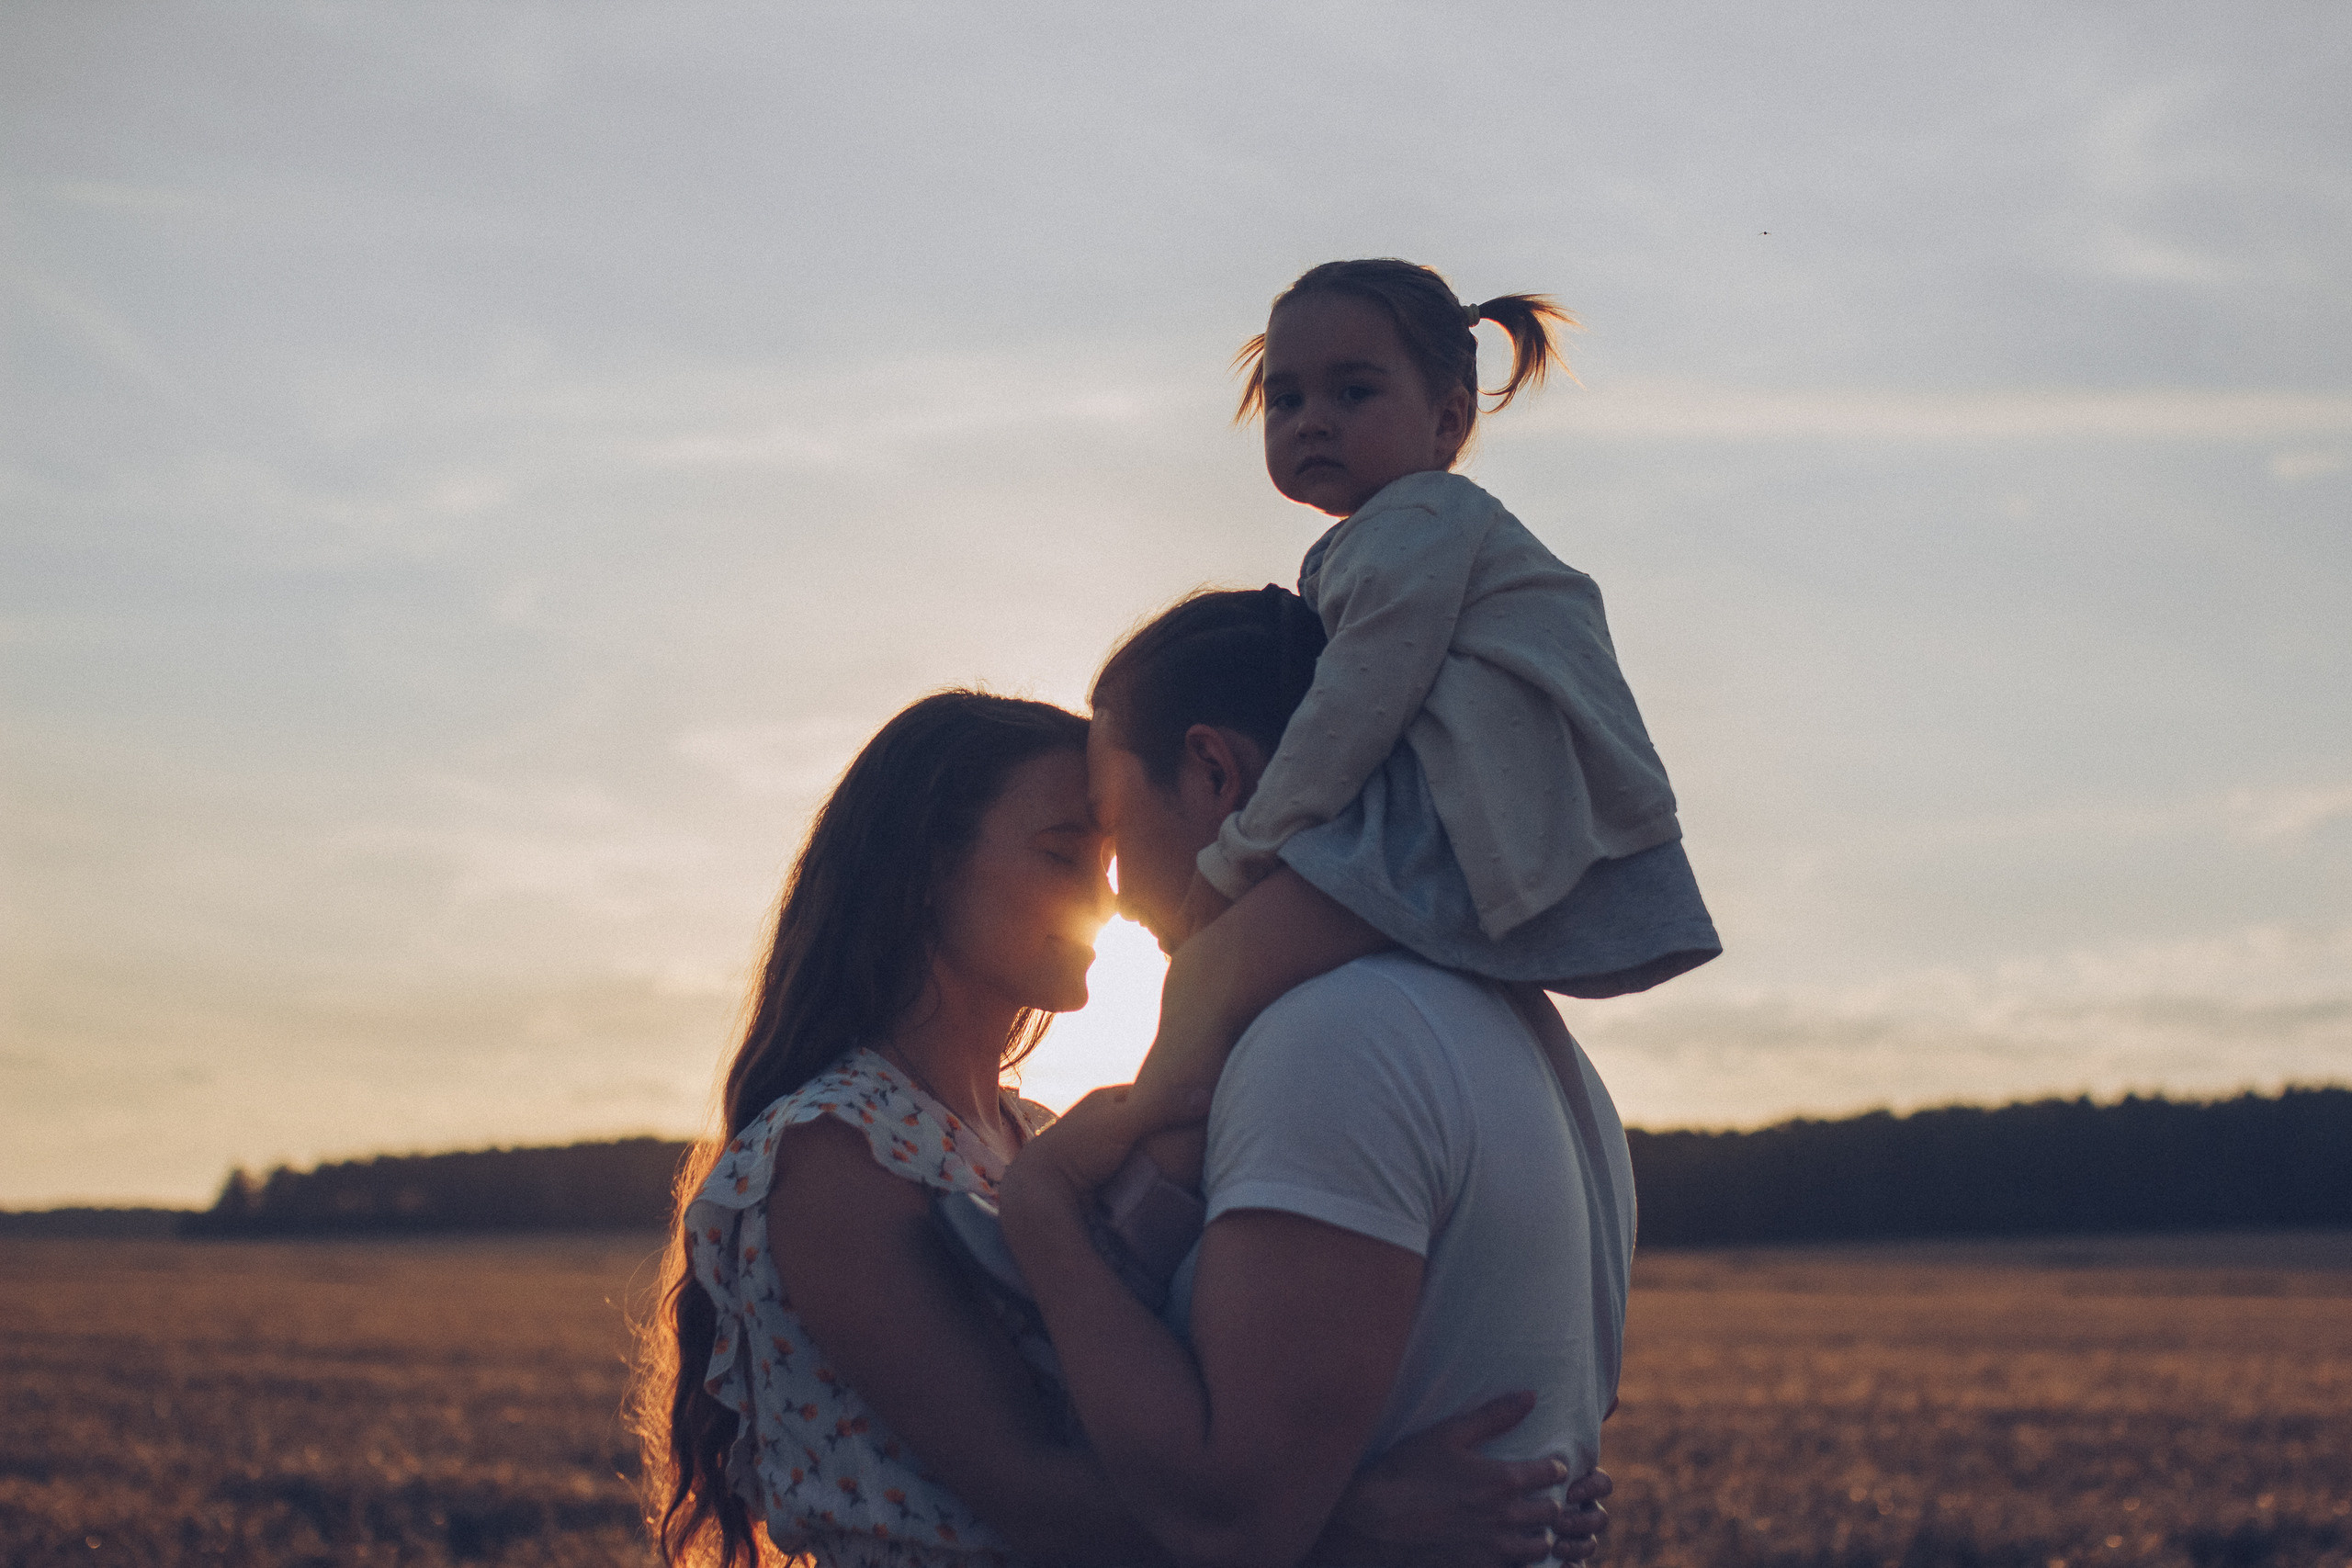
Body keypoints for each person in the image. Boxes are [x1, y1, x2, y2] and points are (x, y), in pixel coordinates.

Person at [631, 690, 1611, 1568]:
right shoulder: (832, 1154)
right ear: (926, 868)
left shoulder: (1040, 1133)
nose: (1103, 900)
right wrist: (1361, 1523)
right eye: (1062, 855)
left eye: (1104, 859)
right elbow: (1034, 1494)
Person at [999, 588, 1641, 1568]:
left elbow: (1229, 1524)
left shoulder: (1336, 1040)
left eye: (1112, 823)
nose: (1110, 893)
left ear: (1213, 770)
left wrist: (1039, 1207)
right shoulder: (1537, 1044)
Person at [1124, 257, 1721, 1197]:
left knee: (1207, 976)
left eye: (1353, 391)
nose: (1311, 418)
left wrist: (1238, 854)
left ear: (1449, 419)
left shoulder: (1421, 519)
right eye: (1285, 399)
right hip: (1457, 813)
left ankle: (1125, 1217)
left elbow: (1351, 710)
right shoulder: (1391, 533)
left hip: (1445, 825)